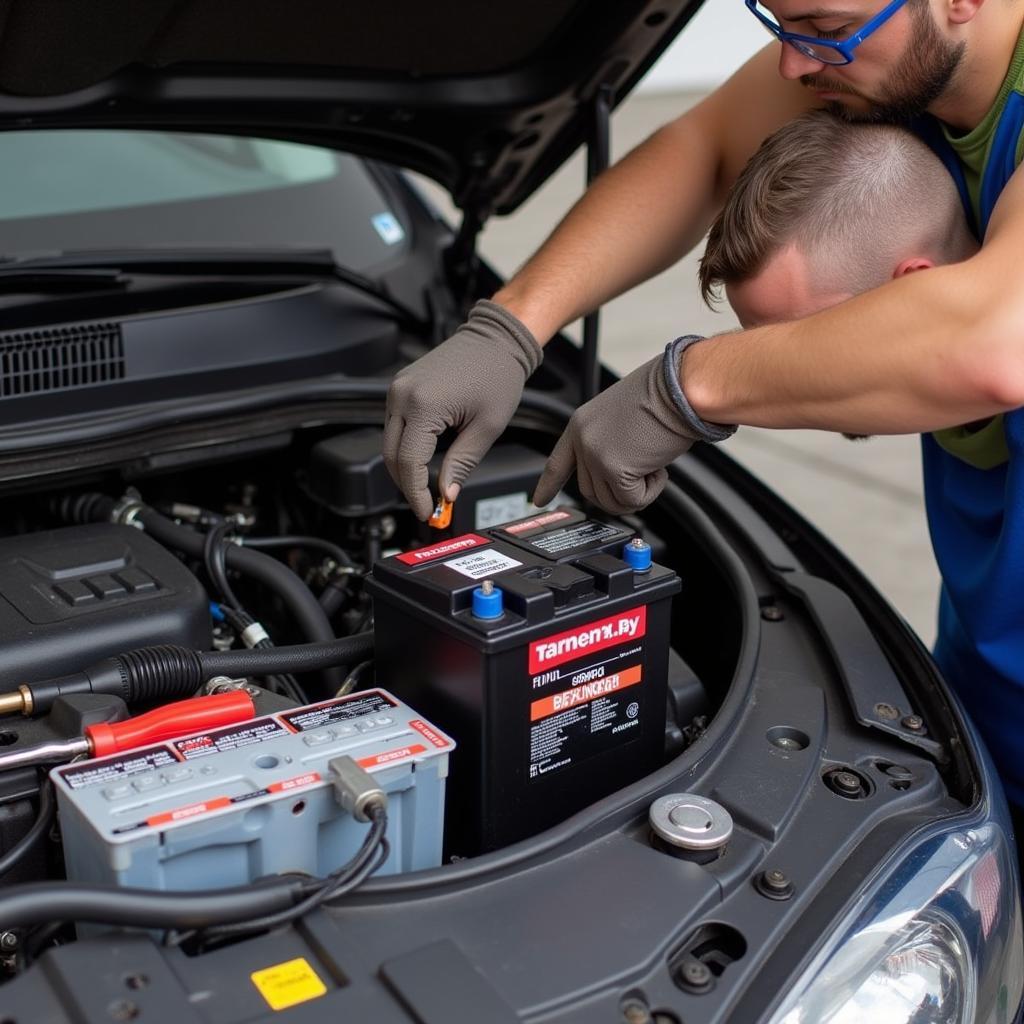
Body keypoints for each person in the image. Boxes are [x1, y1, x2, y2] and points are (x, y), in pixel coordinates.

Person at [384, 1, 1024, 803]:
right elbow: (702, 149)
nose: (793, 66)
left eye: (823, 27)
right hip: (987, 675)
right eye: (776, 21)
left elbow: (996, 346)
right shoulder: (878, 64)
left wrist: (682, 387)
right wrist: (509, 328)